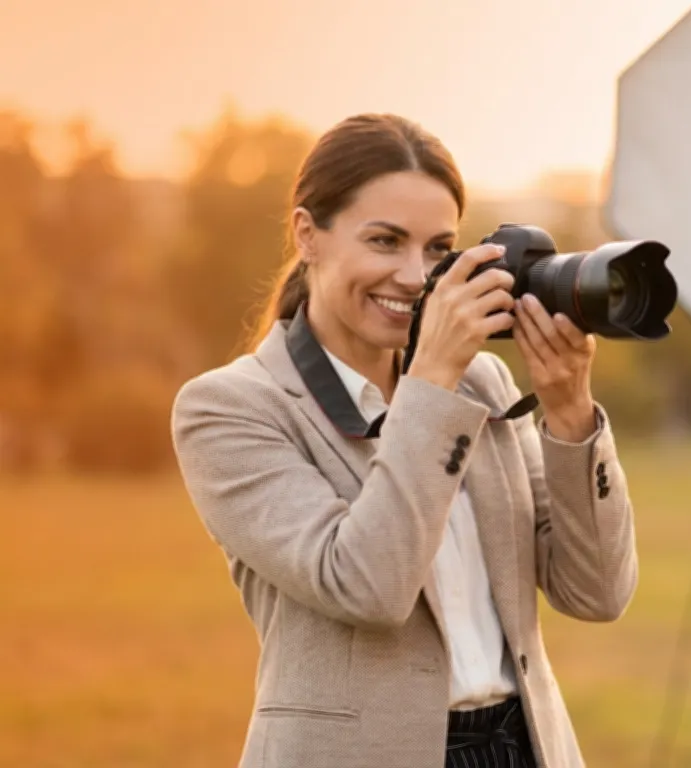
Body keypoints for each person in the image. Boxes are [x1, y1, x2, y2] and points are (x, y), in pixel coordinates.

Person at [170, 113, 637, 768]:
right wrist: (433, 381)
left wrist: (568, 413)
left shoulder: (483, 381)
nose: (417, 277)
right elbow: (366, 586)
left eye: (438, 248)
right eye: (385, 241)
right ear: (308, 234)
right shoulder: (230, 408)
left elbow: (597, 591)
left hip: (524, 746)